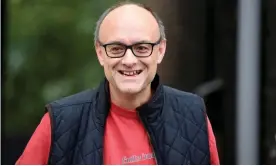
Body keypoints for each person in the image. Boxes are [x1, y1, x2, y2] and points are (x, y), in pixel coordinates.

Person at [16, 1, 219, 165]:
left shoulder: (193, 114)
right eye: (116, 48)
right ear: (100, 52)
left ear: (160, 50)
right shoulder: (60, 122)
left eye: (141, 47)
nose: (129, 60)